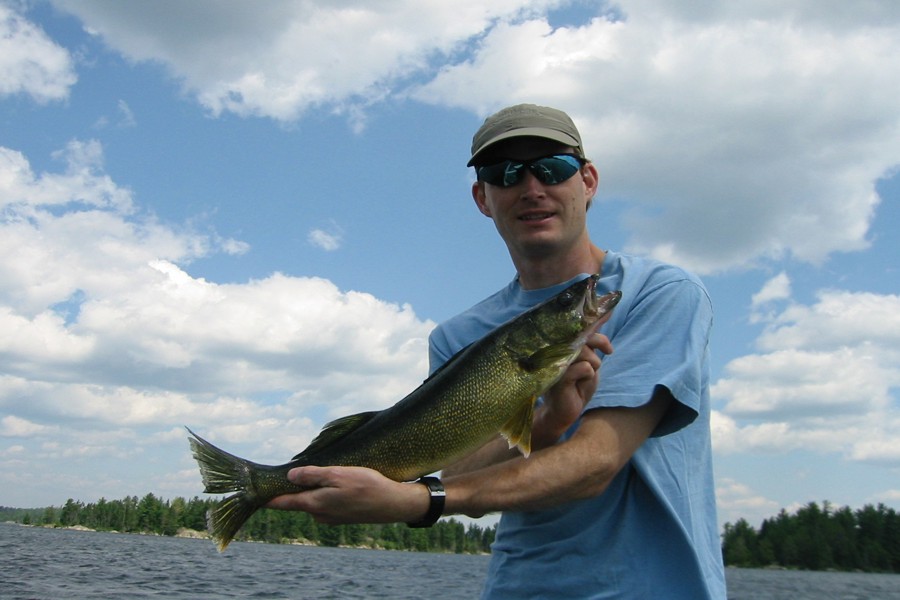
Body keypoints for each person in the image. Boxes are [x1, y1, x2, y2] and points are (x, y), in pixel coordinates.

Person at [268, 104, 726, 599]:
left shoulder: (659, 293)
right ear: (483, 198)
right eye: (504, 173)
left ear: (588, 181)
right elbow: (460, 470)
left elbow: (595, 463)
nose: (531, 188)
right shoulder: (457, 334)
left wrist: (418, 502)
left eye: (553, 167)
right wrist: (547, 420)